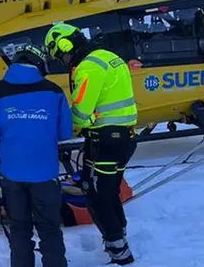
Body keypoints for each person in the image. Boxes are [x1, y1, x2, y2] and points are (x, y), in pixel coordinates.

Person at [45, 23, 138, 265]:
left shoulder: (88, 67)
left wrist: (59, 126)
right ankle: (119, 237)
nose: (63, 60)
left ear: (66, 45)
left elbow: (81, 112)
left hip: (104, 141)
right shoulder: (109, 56)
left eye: (60, 54)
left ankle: (118, 249)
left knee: (95, 195)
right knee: (109, 191)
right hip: (124, 139)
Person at [0, 43, 72, 267]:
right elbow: (65, 132)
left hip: (10, 172)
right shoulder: (54, 90)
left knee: (19, 229)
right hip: (45, 173)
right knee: (49, 228)